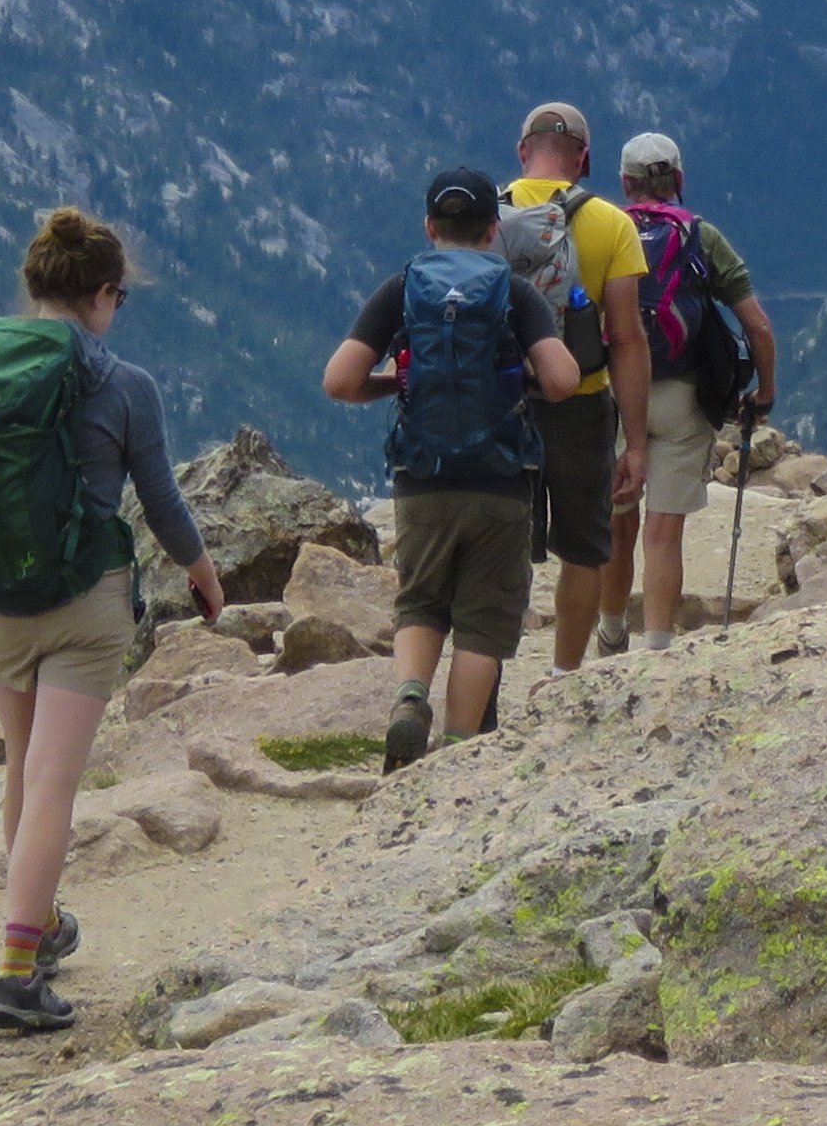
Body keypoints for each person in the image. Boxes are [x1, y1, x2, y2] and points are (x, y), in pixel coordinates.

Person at [0, 208, 224, 1036]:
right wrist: (202, 573)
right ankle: (17, 972)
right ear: (99, 293)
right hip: (86, 597)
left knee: (24, 771)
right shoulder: (123, 385)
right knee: (54, 782)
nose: (117, 309)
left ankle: (42, 927)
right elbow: (159, 499)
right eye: (118, 296)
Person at [325, 165, 583, 767]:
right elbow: (564, 380)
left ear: (429, 227)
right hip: (500, 479)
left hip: (421, 476)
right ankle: (458, 753)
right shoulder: (513, 292)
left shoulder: (402, 288)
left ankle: (411, 696)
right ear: (494, 230)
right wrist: (520, 384)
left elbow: (339, 381)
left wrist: (397, 384)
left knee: (420, 601)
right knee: (484, 622)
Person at [608, 134, 779, 651]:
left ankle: (611, 634)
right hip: (683, 396)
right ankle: (658, 650)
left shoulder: (602, 229)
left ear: (625, 183)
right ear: (679, 181)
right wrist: (764, 390)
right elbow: (758, 327)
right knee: (663, 532)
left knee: (617, 522)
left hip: (615, 397)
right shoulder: (700, 237)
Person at [506, 102, 649, 670]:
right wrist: (635, 444)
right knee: (585, 551)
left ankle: (486, 679)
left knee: (501, 547)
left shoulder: (487, 214)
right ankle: (565, 677)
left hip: (504, 404)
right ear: (584, 160)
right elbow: (627, 338)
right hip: (583, 403)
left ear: (522, 152)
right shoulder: (612, 223)